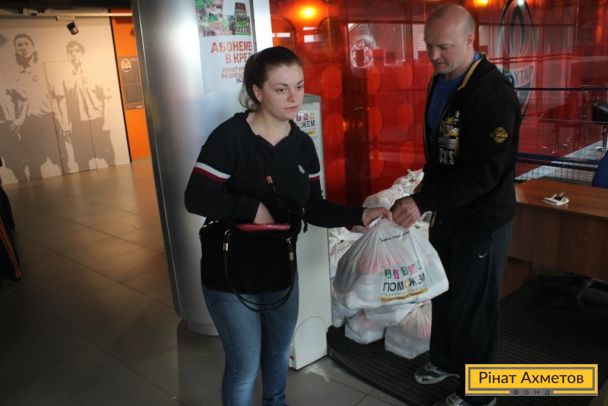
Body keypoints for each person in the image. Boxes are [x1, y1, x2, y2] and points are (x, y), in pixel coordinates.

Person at [184, 46, 390, 406]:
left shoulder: (302, 146)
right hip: (231, 272)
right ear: (257, 92)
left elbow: (313, 208)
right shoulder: (231, 138)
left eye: (299, 86)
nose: (294, 97)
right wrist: (252, 209)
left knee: (278, 353)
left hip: (279, 268)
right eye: (281, 89)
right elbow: (195, 197)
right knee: (244, 366)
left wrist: (359, 216)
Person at [390, 5, 521, 406]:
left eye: (443, 47)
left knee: (474, 306)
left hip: (482, 219)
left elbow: (485, 172)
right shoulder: (443, 81)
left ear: (470, 40)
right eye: (428, 45)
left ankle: (481, 393)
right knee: (443, 292)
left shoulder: (491, 93)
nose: (433, 55)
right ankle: (447, 360)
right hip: (448, 213)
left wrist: (424, 200)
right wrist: (426, 189)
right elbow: (443, 151)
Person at [7, 33, 63, 180]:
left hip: (48, 119)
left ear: (33, 46)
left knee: (59, 157)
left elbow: (58, 97)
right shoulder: (14, 75)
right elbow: (16, 102)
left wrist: (62, 120)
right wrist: (18, 119)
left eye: (26, 43)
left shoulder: (44, 69)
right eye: (19, 45)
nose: (23, 47)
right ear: (16, 50)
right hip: (29, 123)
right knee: (33, 162)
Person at [55, 40, 115, 172]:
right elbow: (62, 103)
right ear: (67, 55)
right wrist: (65, 125)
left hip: (97, 120)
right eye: (70, 52)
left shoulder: (95, 72)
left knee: (108, 155)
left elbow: (107, 98)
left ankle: (115, 177)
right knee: (81, 159)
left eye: (77, 51)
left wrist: (107, 121)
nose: (73, 54)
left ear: (82, 53)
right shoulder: (64, 76)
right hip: (78, 123)